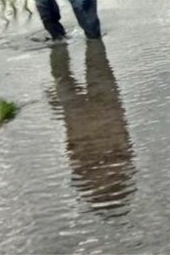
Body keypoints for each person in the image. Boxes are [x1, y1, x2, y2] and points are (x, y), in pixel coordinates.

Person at [49, 42, 136, 215]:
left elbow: (73, 149)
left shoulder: (89, 171)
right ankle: (71, 43)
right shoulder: (118, 164)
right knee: (93, 73)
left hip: (89, 120)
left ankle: (68, 45)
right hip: (101, 117)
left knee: (69, 78)